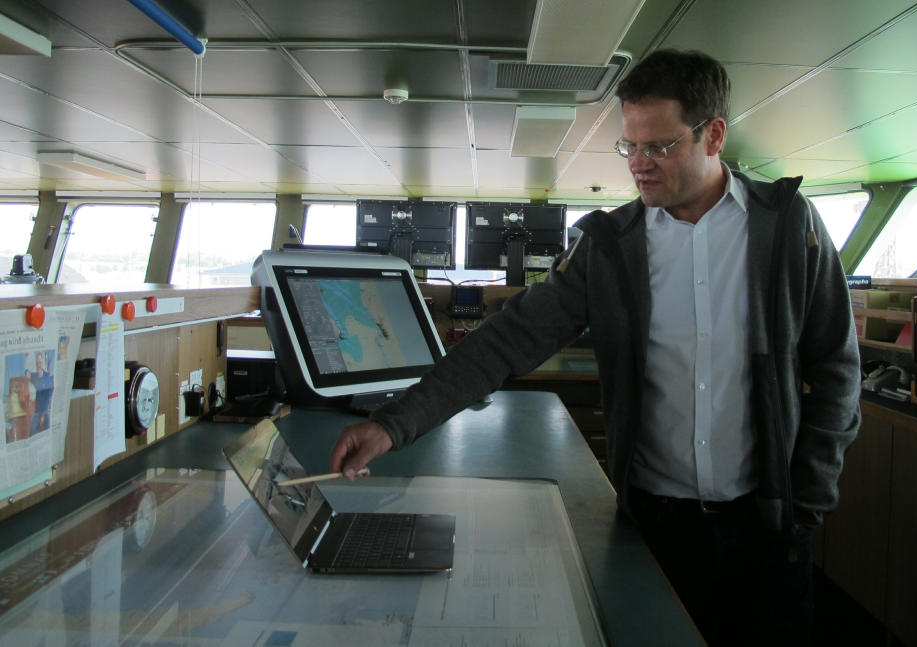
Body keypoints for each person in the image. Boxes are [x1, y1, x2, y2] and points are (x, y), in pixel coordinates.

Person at [330, 48, 861, 646]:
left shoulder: (789, 227)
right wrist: (393, 425)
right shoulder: (611, 246)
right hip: (655, 528)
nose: (638, 163)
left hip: (768, 530)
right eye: (628, 146)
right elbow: (505, 342)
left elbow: (838, 370)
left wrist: (807, 506)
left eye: (657, 146)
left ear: (713, 135)